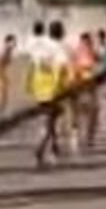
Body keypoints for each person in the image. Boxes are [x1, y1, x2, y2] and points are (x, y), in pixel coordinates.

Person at [26, 20, 70, 168]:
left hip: (39, 89)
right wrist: (59, 91)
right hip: (52, 90)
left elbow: (33, 64)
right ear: (61, 33)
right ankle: (39, 150)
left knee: (49, 120)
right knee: (49, 121)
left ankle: (52, 147)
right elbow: (59, 71)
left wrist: (30, 85)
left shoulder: (41, 45)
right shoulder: (59, 49)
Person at [71, 32, 101, 150]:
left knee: (92, 112)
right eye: (86, 42)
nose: (87, 44)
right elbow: (73, 69)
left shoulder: (91, 52)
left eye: (88, 42)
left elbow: (100, 64)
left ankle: (87, 137)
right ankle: (79, 136)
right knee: (81, 112)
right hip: (82, 87)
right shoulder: (79, 53)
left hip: (89, 87)